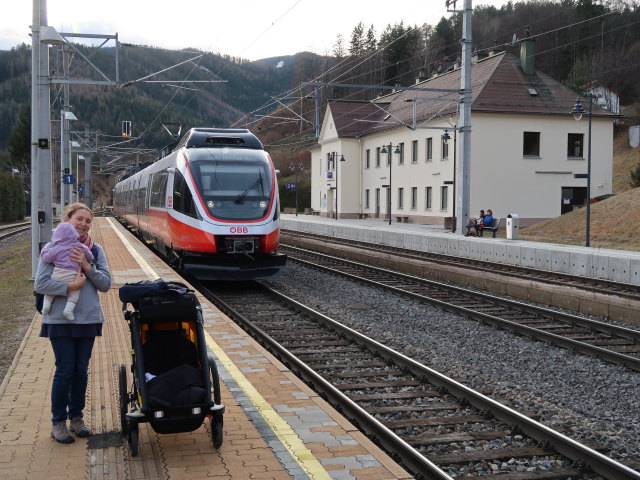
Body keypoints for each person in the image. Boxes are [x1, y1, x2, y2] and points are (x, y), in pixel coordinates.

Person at [35, 203, 111, 444]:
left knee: (80, 371)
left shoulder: (95, 250)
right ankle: (58, 422)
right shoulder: (52, 247)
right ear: (67, 219)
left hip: (87, 319)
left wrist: (87, 267)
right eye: (79, 218)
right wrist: (70, 287)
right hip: (59, 319)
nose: (84, 224)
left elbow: (106, 283)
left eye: (88, 221)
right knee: (65, 370)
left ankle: (76, 418)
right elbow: (40, 284)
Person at [40, 222, 94, 320]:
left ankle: (46, 306)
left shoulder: (56, 248)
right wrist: (86, 260)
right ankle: (68, 310)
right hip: (72, 276)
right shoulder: (79, 246)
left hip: (57, 275)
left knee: (49, 293)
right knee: (74, 294)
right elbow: (90, 256)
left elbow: (47, 258)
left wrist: (44, 250)